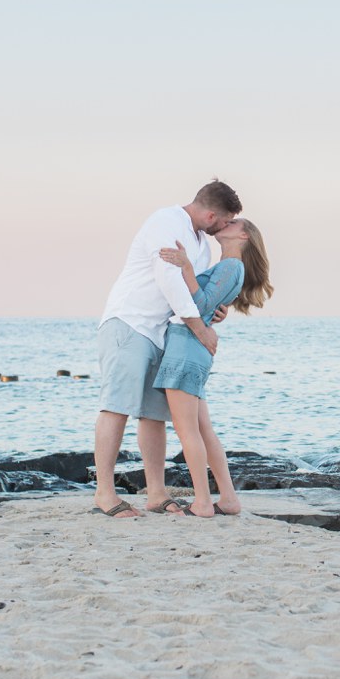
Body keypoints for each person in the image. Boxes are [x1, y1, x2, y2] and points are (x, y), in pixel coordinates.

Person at [91, 180, 241, 518]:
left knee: (152, 415)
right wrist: (201, 329)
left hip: (164, 333)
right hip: (131, 323)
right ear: (212, 214)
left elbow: (195, 292)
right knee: (116, 406)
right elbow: (169, 280)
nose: (226, 227)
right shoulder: (166, 222)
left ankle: (156, 494)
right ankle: (104, 494)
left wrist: (217, 310)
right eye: (226, 220)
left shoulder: (201, 243)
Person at [155, 217, 273, 518]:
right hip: (193, 349)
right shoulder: (231, 269)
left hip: (186, 347)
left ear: (243, 235)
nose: (226, 223)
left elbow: (201, 304)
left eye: (233, 223)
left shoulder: (232, 266)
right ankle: (229, 499)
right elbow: (210, 306)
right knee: (204, 430)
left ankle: (203, 502)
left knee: (188, 432)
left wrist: (186, 268)